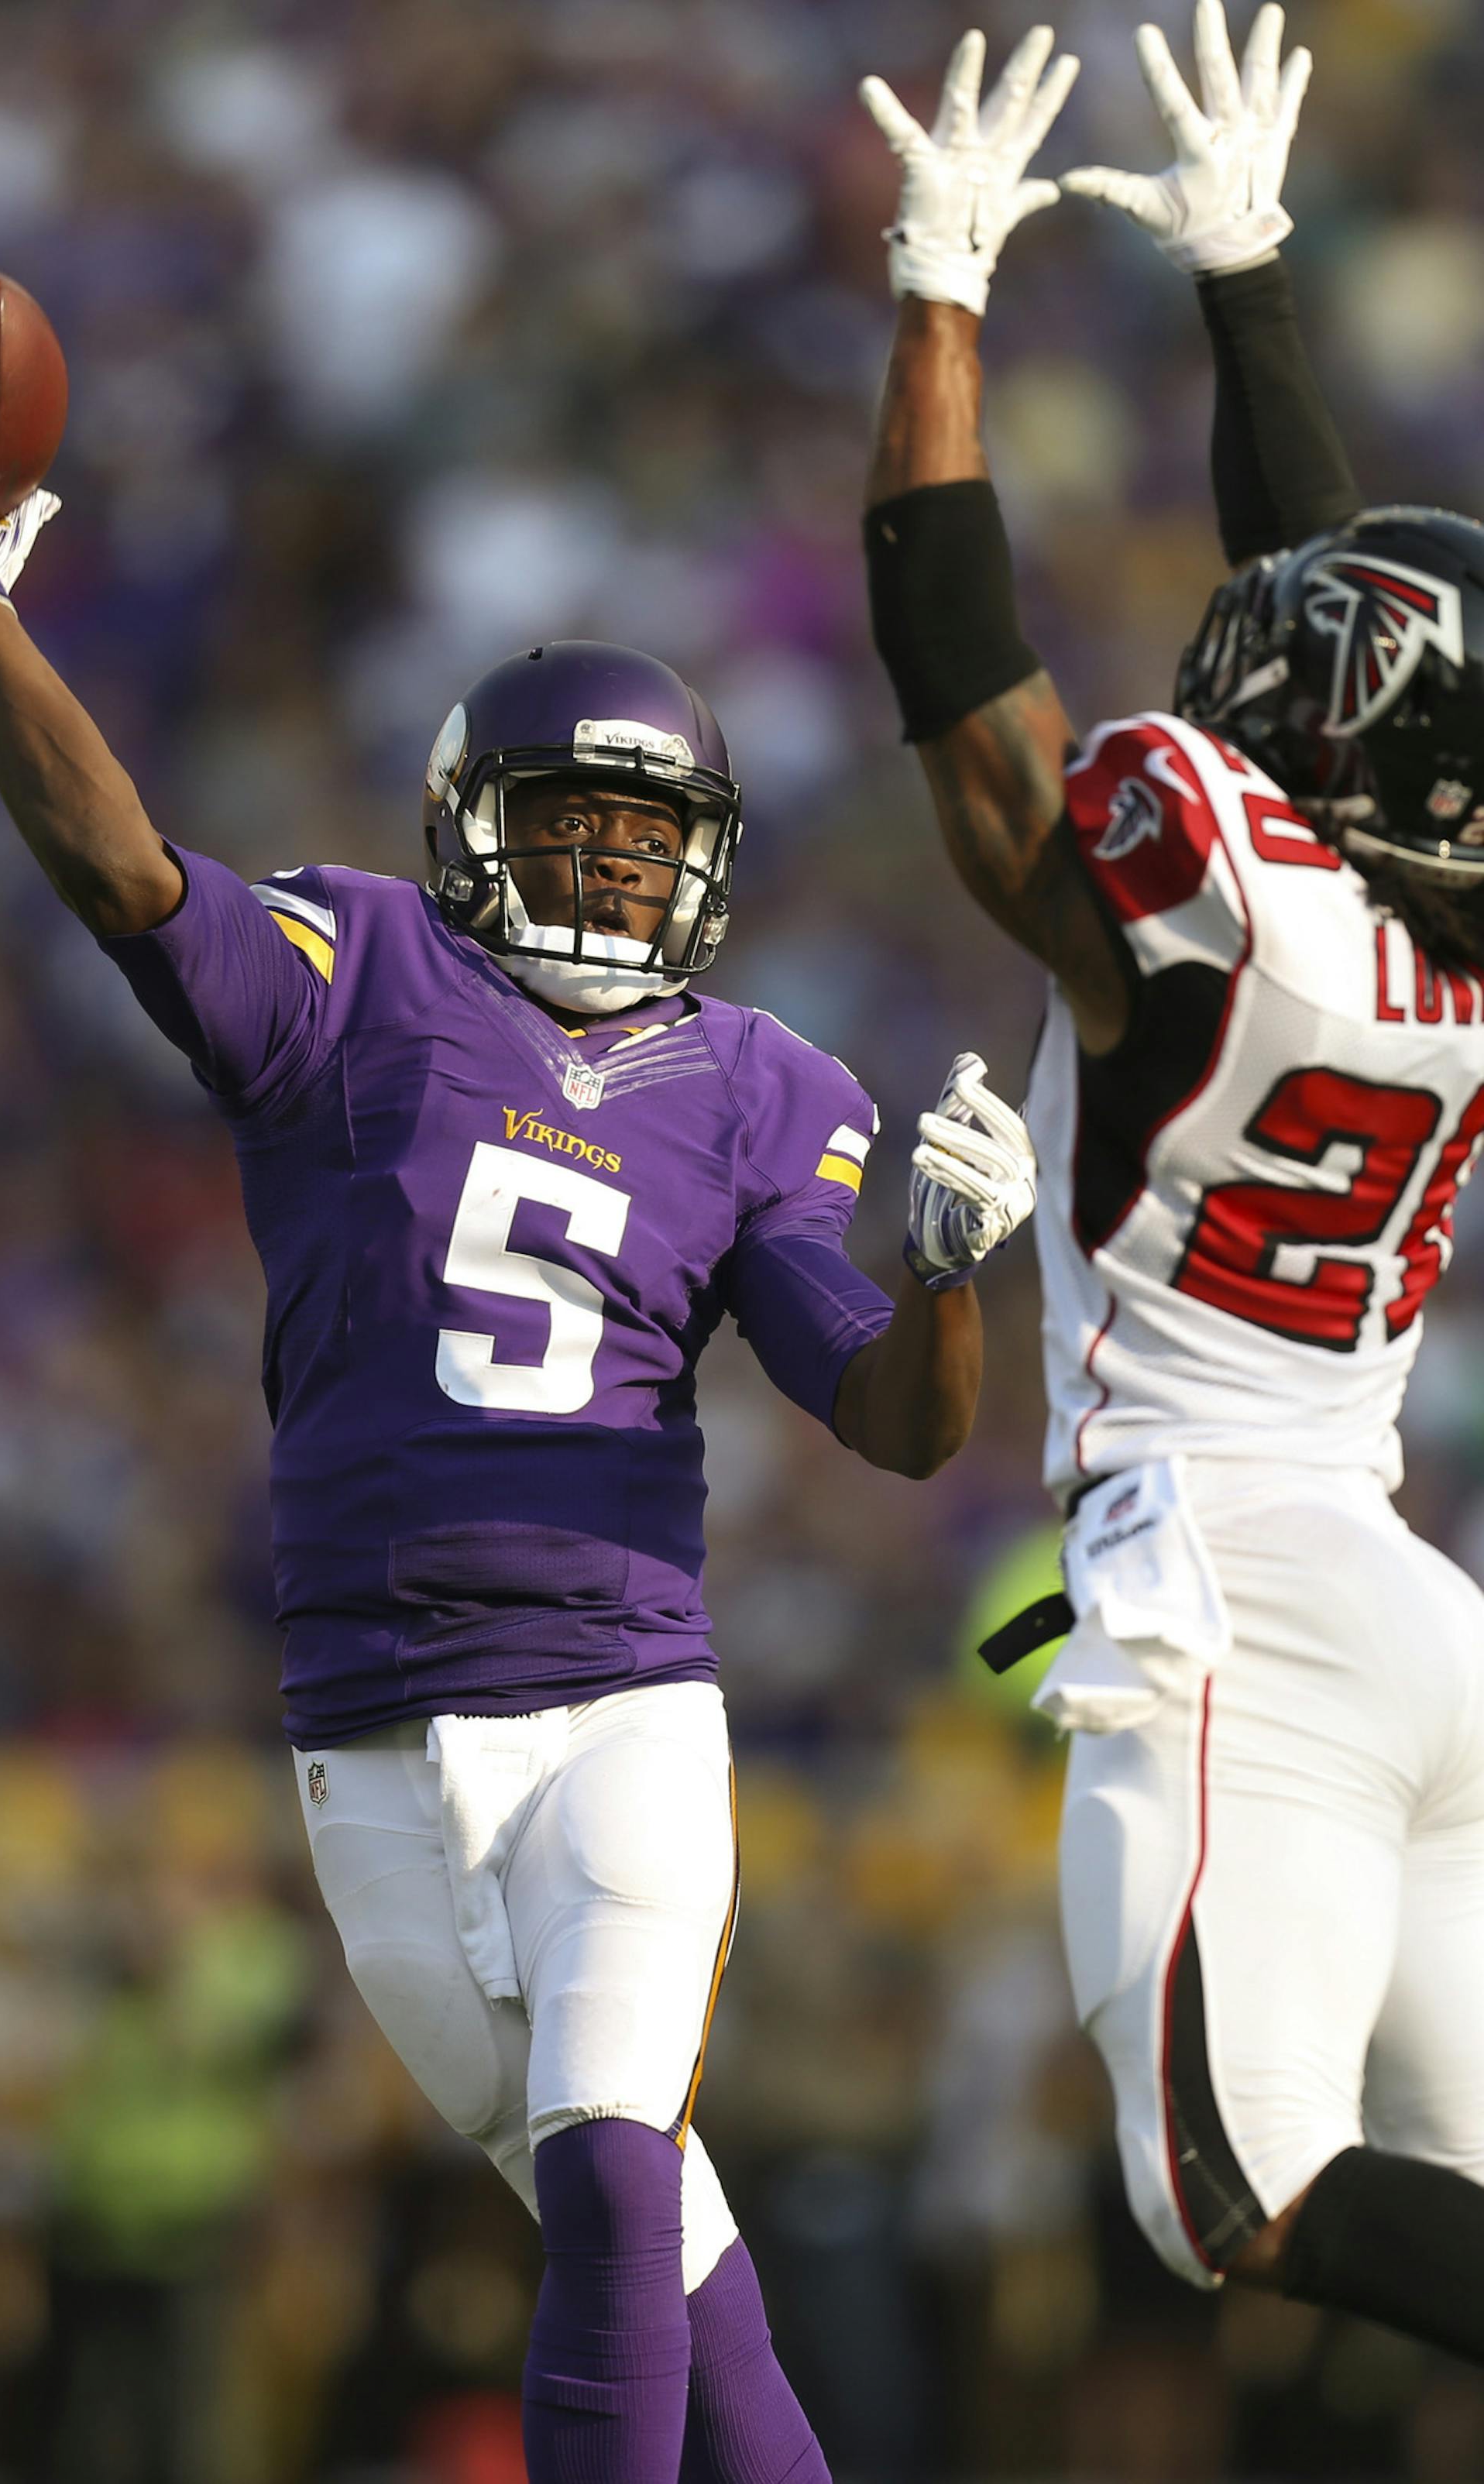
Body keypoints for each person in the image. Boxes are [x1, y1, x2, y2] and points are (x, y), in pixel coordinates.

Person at [0, 403, 1036, 2472]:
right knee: (676, 2266)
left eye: (650, 837)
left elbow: (896, 1426)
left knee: (609, 2178)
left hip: (623, 1701)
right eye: (574, 823)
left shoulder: (755, 1082)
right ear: (477, 824)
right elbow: (122, 868)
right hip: (371, 1724)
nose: (611, 864)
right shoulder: (352, 964)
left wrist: (947, 1276)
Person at [860, 0, 1484, 2365]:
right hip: (1417, 1610)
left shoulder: (1221, 885)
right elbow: (1351, 616)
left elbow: (960, 691)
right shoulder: (1430, 930)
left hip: (1230, 1588)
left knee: (1237, 2194)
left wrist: (938, 290)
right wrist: (1252, 287)